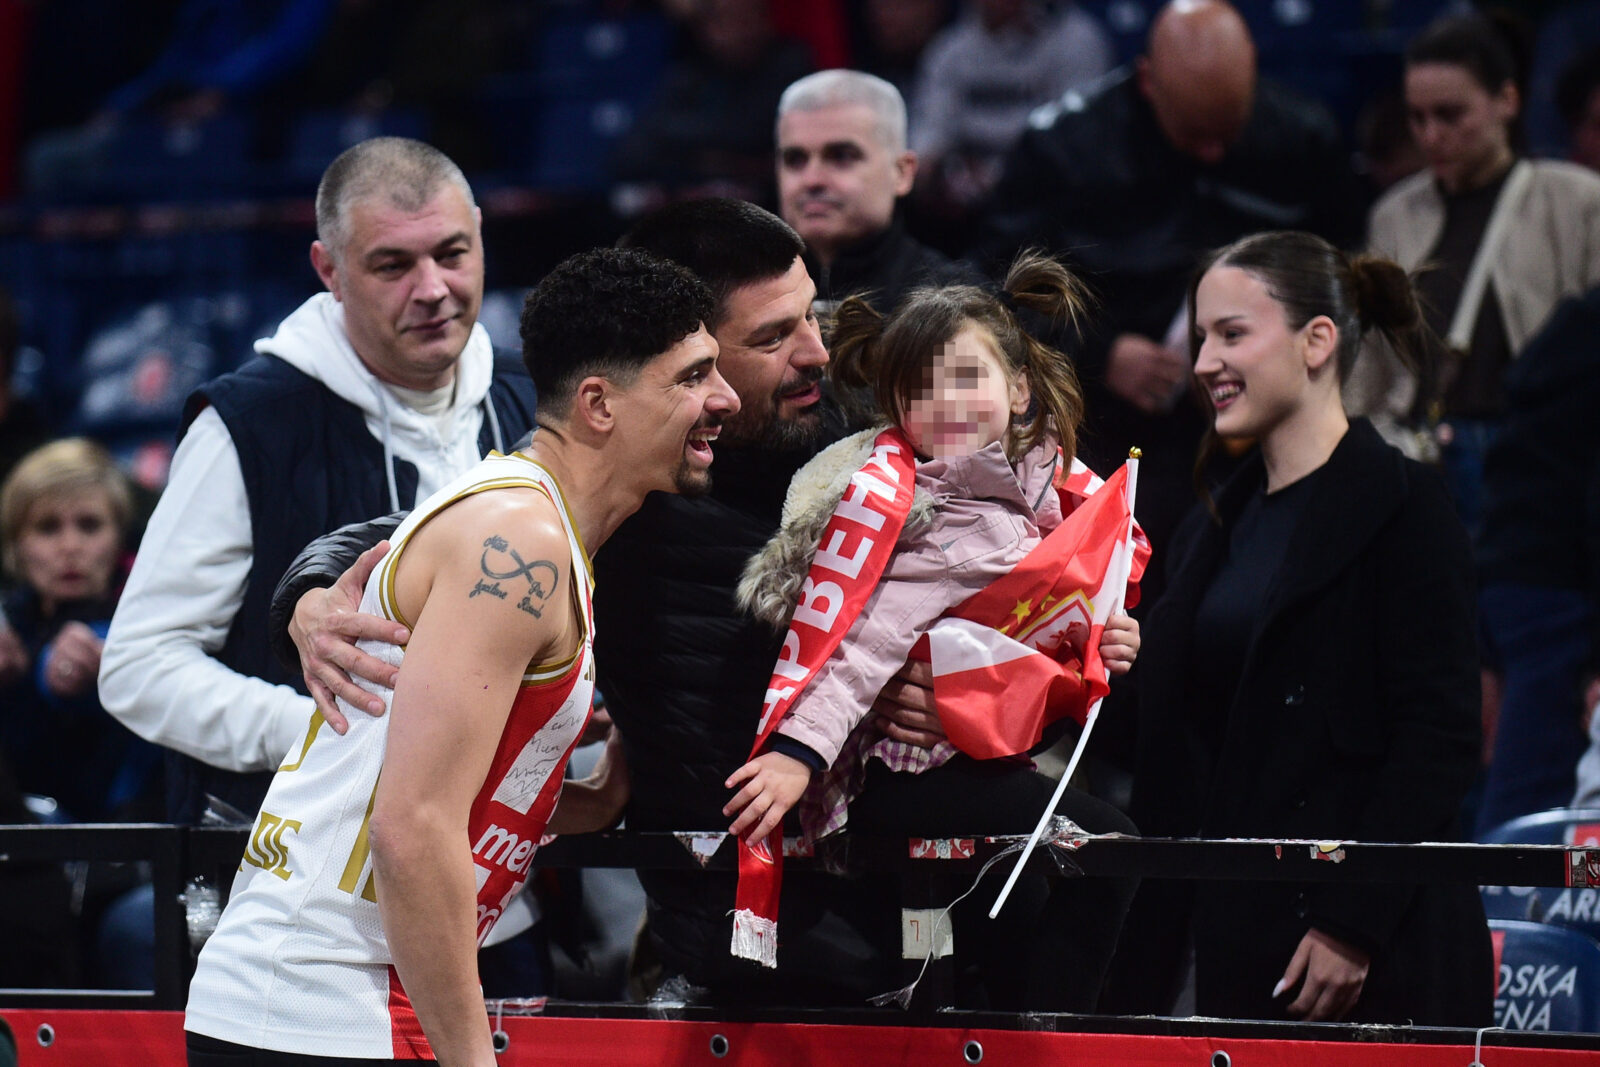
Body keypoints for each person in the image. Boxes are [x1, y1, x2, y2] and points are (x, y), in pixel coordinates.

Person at [271, 199, 946, 1006]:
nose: (816, 353)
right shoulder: (615, 486)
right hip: (736, 947)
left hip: (922, 908)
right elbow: (416, 532)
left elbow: (1021, 551)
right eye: (771, 337)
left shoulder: (888, 433)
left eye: (811, 316)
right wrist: (310, 602)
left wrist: (984, 677)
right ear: (681, 355)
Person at [183, 246, 736, 1066]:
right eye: (692, 376)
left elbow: (454, 796)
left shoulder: (531, 526)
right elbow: (411, 827)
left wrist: (597, 793)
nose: (721, 398)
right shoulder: (520, 537)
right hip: (321, 1008)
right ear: (598, 404)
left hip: (321, 1004)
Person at [725, 253, 1141, 1010]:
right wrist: (795, 754)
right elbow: (858, 649)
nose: (943, 401)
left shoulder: (1054, 496)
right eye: (919, 386)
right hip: (910, 774)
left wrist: (1107, 644)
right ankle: (1043, 1045)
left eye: (966, 377)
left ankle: (1021, 1030)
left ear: (1019, 390)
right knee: (1109, 848)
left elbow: (1043, 634)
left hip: (985, 761)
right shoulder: (919, 513)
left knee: (1018, 920)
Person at [1102, 231, 1491, 1026]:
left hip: (1363, 954)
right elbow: (1196, 734)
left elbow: (1438, 735)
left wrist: (1353, 921)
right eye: (1202, 334)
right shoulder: (1211, 522)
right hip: (1217, 933)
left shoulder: (1407, 505)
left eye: (1233, 333)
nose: (1205, 360)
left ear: (1318, 341)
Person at [98, 136, 538, 828]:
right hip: (297, 873)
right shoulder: (246, 425)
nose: (431, 289)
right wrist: (321, 730)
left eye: (451, 253)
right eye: (392, 265)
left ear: (480, 235)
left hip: (499, 874)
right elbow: (138, 667)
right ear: (328, 270)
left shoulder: (529, 399)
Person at [978, 0, 1362, 609]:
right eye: (1194, 134)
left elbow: (1345, 275)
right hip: (1110, 432)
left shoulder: (1301, 137)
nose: (1212, 153)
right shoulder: (1066, 151)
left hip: (1266, 428)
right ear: (1148, 81)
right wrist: (1101, 354)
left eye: (1225, 133)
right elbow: (998, 293)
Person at [1347, 13, 1600, 531]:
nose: (1430, 135)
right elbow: (1367, 359)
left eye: (1449, 114)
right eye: (1417, 118)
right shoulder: (1394, 214)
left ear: (1507, 100)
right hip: (1418, 457)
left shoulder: (1576, 202)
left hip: (1535, 465)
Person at [0, 438, 163, 989]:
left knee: (138, 927)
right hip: (18, 866)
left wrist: (108, 677)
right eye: (48, 529)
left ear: (118, 539)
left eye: (89, 526)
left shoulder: (153, 628)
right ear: (17, 548)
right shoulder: (8, 635)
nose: (70, 546)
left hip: (127, 865)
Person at [775, 68, 979, 317]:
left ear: (902, 173)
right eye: (795, 159)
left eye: (841, 156)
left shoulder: (959, 308)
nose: (812, 180)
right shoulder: (745, 299)